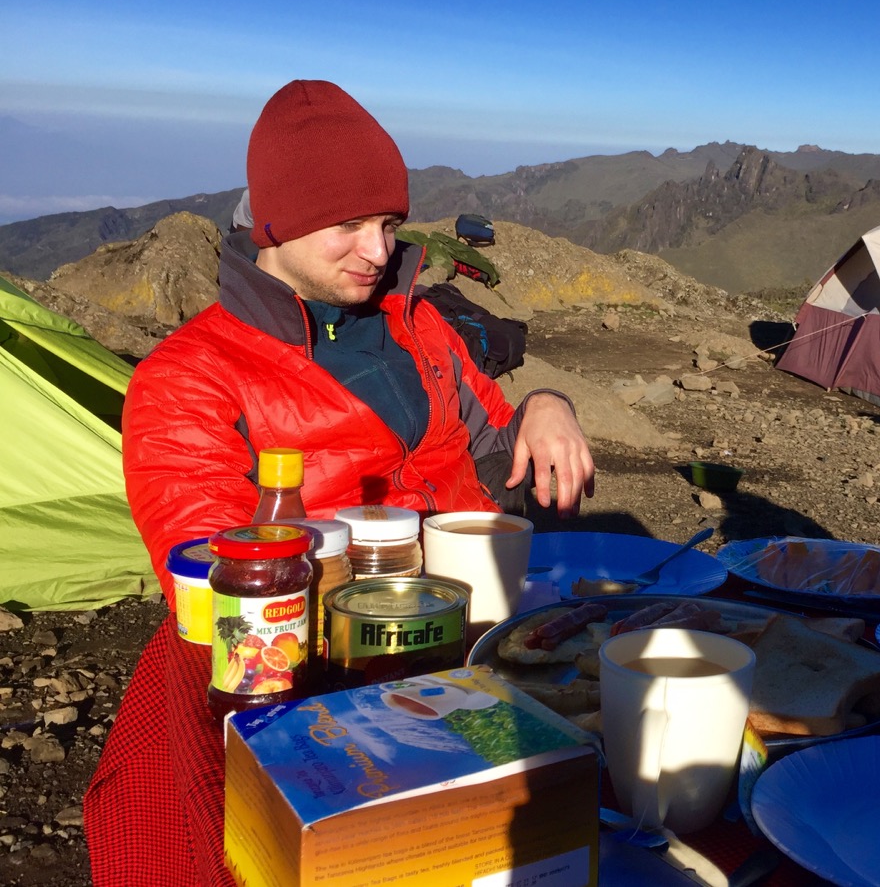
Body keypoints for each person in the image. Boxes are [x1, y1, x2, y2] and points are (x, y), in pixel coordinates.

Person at [84, 80, 594, 886]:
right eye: (346, 225)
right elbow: (218, 591)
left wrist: (544, 405)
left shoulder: (418, 324)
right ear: (274, 226)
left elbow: (497, 460)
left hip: (476, 642)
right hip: (326, 685)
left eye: (389, 223)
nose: (378, 251)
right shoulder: (188, 378)